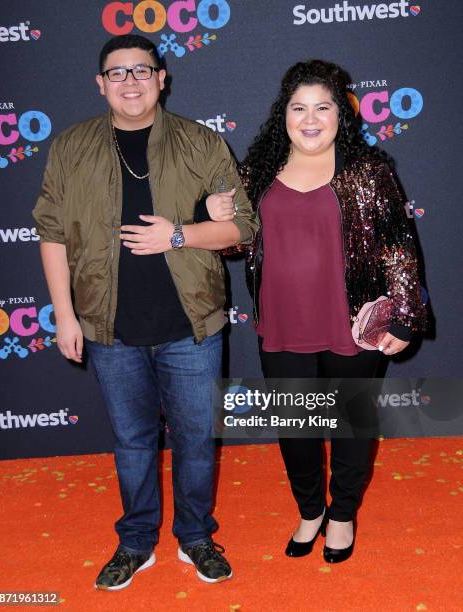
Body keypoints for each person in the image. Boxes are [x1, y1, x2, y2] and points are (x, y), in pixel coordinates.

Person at [32, 34, 256, 590]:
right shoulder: (70, 147)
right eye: (117, 73)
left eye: (141, 70)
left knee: (196, 440)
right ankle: (136, 542)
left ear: (162, 78)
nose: (130, 81)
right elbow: (53, 233)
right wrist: (64, 315)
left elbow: (243, 226)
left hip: (192, 325)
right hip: (110, 328)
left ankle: (197, 535)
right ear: (100, 84)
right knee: (132, 443)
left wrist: (178, 235)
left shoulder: (201, 143)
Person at [207, 59, 426, 563]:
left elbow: (399, 246)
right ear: (282, 114)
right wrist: (214, 216)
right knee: (297, 431)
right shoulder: (256, 172)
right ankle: (310, 512)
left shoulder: (369, 170)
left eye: (322, 107)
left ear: (340, 114)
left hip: (352, 325)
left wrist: (405, 316)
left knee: (351, 424)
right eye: (298, 107)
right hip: (282, 326)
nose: (310, 118)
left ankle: (342, 514)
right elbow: (233, 244)